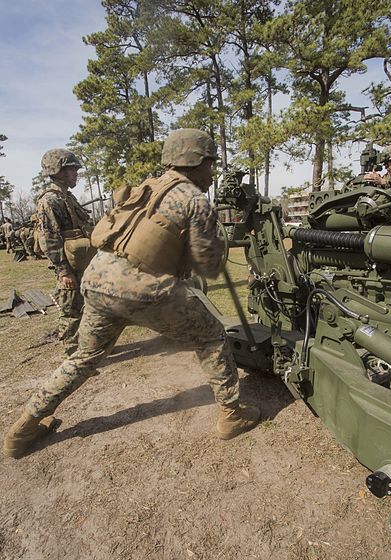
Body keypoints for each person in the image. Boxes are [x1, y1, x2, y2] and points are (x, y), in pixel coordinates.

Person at [3, 128, 260, 459]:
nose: (212, 172)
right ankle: (231, 414)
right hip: (141, 289)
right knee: (211, 338)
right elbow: (209, 267)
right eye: (211, 164)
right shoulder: (194, 200)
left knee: (83, 358)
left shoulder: (147, 188)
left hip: (97, 280)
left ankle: (22, 429)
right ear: (195, 162)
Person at [36, 149, 95, 356]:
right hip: (69, 267)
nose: (76, 174)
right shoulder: (50, 201)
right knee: (70, 310)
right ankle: (72, 353)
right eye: (73, 170)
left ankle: (85, 348)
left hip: (81, 264)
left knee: (85, 307)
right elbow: (49, 238)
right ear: (60, 171)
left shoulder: (66, 197)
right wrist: (63, 271)